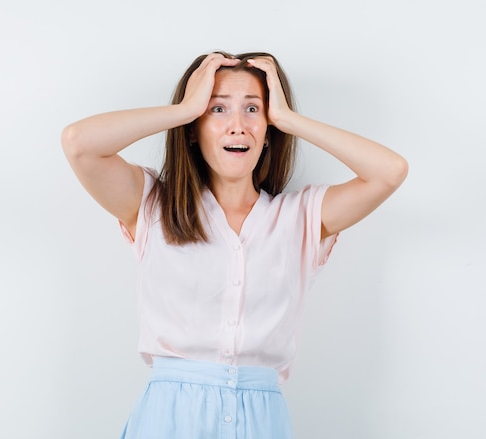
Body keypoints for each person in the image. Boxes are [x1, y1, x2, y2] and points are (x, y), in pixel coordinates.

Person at [61, 51, 408, 439]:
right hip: (170, 418)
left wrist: (289, 120)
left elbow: (390, 171)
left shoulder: (300, 218)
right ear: (194, 126)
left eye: (253, 109)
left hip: (262, 420)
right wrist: (185, 110)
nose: (238, 126)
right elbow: (79, 143)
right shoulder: (152, 205)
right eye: (218, 109)